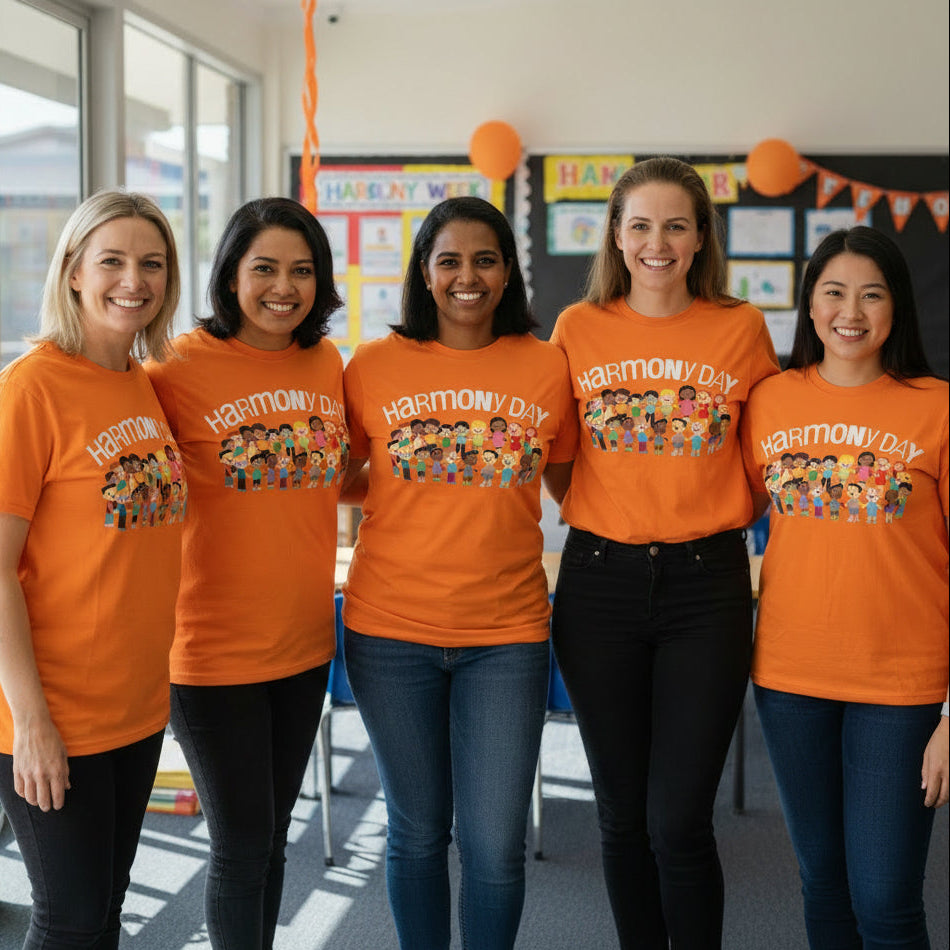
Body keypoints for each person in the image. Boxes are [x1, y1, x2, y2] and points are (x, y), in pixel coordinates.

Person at [547, 157, 779, 948]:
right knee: (620, 814)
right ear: (615, 235)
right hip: (598, 584)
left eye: (676, 225)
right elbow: (560, 460)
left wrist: (698, 514)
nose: (658, 243)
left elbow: (764, 461)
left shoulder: (740, 327)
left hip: (706, 587)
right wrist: (613, 513)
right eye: (640, 225)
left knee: (679, 819)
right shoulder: (578, 328)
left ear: (700, 237)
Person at [340, 196, 577, 950]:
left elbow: (572, 483)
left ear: (508, 273)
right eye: (449, 261)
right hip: (389, 633)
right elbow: (337, 472)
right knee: (415, 831)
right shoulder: (372, 365)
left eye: (484, 261)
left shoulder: (546, 366)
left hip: (507, 637)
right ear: (424, 272)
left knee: (495, 844)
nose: (466, 277)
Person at [144, 197, 345, 949]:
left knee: (273, 836)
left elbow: (337, 472)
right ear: (231, 275)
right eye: (264, 268)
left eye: (302, 270)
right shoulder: (174, 367)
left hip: (304, 643)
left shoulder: (326, 363)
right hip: (210, 650)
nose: (283, 288)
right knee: (240, 842)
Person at [740, 226, 948, 948]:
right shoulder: (769, 401)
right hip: (790, 678)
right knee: (824, 884)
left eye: (871, 295)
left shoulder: (937, 407)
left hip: (903, 686)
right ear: (810, 304)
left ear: (897, 307)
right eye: (833, 293)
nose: (850, 312)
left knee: (885, 900)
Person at [0, 190, 185, 946]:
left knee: (105, 908)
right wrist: (31, 722)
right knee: (70, 920)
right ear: (73, 271)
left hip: (134, 704)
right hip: (54, 711)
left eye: (152, 263)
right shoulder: (31, 388)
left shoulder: (143, 382)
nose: (133, 280)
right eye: (112, 261)